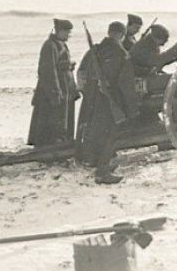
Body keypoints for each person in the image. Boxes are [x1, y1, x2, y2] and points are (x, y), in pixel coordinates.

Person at [76, 21, 135, 184]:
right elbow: (126, 82)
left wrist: (88, 91)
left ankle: (96, 162)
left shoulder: (94, 50)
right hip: (110, 99)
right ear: (122, 35)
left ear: (109, 32)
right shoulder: (121, 52)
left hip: (93, 98)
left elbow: (81, 73)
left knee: (96, 130)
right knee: (110, 133)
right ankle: (102, 172)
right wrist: (129, 105)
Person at [28, 19, 78, 147]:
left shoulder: (60, 44)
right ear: (60, 31)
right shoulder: (50, 46)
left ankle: (60, 142)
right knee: (52, 118)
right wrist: (55, 92)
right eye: (67, 32)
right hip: (53, 90)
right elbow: (48, 70)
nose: (69, 35)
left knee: (60, 118)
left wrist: (67, 66)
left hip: (62, 88)